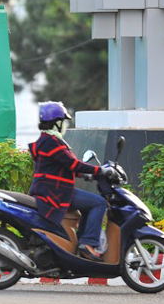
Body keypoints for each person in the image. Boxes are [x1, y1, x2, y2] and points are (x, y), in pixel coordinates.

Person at [28, 101, 116, 261]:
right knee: (99, 203)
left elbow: (61, 167)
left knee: (89, 205)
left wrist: (85, 175)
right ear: (57, 122)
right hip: (56, 193)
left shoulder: (47, 141)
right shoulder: (51, 142)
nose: (65, 125)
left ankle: (82, 244)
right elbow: (73, 164)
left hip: (52, 190)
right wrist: (99, 170)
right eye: (64, 121)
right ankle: (87, 244)